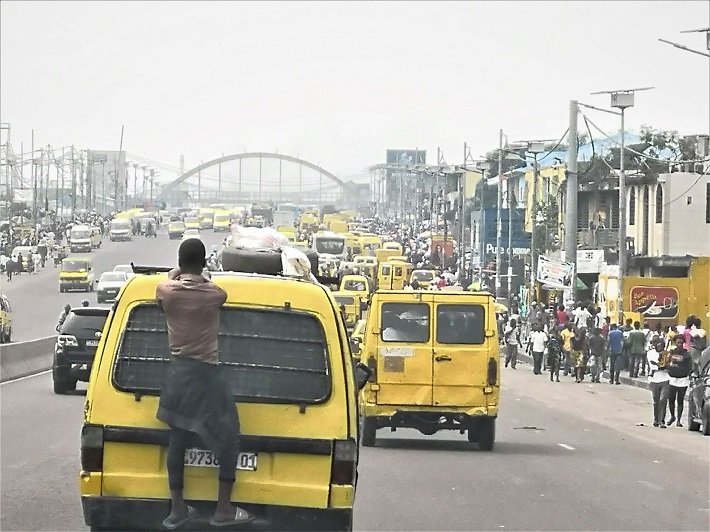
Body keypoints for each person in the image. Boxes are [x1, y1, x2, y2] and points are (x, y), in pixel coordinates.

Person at [156, 239, 253, 529]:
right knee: (229, 437)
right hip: (207, 376)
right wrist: (202, 274)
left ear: (179, 261)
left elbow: (168, 281)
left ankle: (177, 508)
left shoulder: (166, 292)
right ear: (204, 263)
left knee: (178, 439)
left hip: (177, 375)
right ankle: (223, 508)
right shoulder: (214, 294)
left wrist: (178, 272)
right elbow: (216, 289)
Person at [666, 333, 692, 428]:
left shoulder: (687, 354)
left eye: (681, 342)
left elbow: (689, 365)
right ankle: (672, 416)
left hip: (683, 380)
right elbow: (667, 362)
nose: (680, 344)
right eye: (678, 342)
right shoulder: (671, 352)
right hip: (672, 379)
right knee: (671, 399)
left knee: (680, 401)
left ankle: (679, 420)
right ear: (675, 343)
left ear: (683, 343)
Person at [647, 337, 670, 428]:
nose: (660, 346)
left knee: (663, 400)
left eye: (661, 345)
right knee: (656, 401)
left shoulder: (667, 354)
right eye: (657, 344)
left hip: (666, 379)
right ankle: (656, 419)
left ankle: (662, 420)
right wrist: (662, 366)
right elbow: (653, 366)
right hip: (654, 380)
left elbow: (669, 365)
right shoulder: (650, 353)